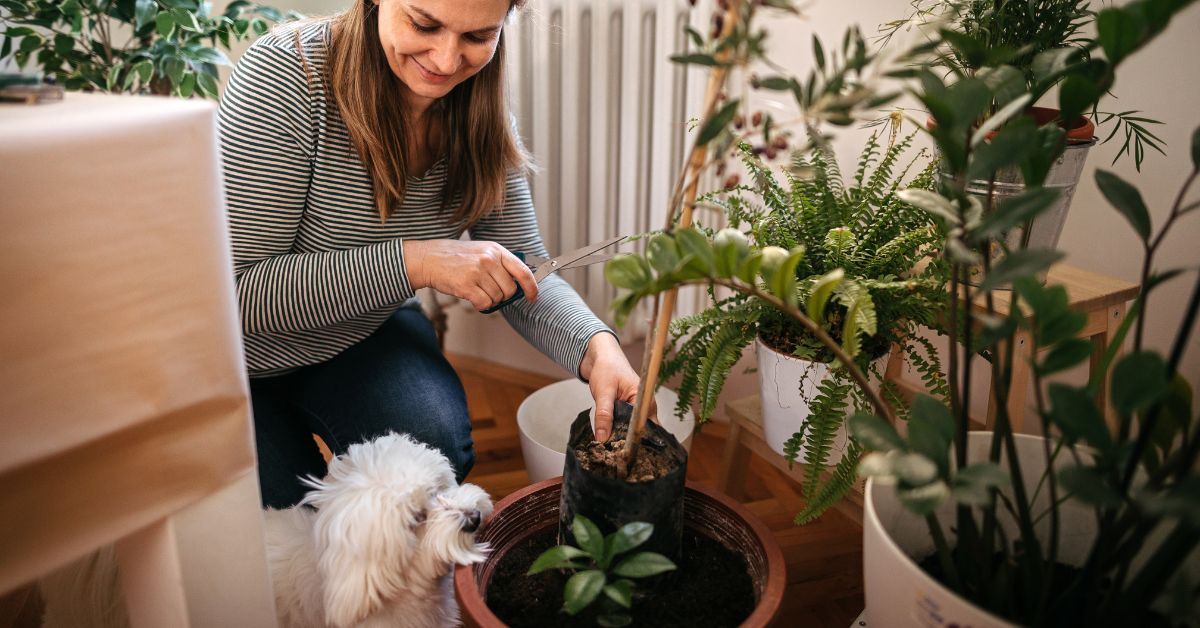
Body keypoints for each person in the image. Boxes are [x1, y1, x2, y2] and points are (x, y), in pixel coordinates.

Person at [219, 0, 643, 509]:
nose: (446, 62)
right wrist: (416, 262)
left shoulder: (481, 115)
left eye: (477, 37)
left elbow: (526, 269)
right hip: (238, 362)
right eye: (424, 24)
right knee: (284, 522)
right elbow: (235, 296)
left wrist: (597, 348)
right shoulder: (287, 73)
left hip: (361, 331)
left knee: (432, 459)